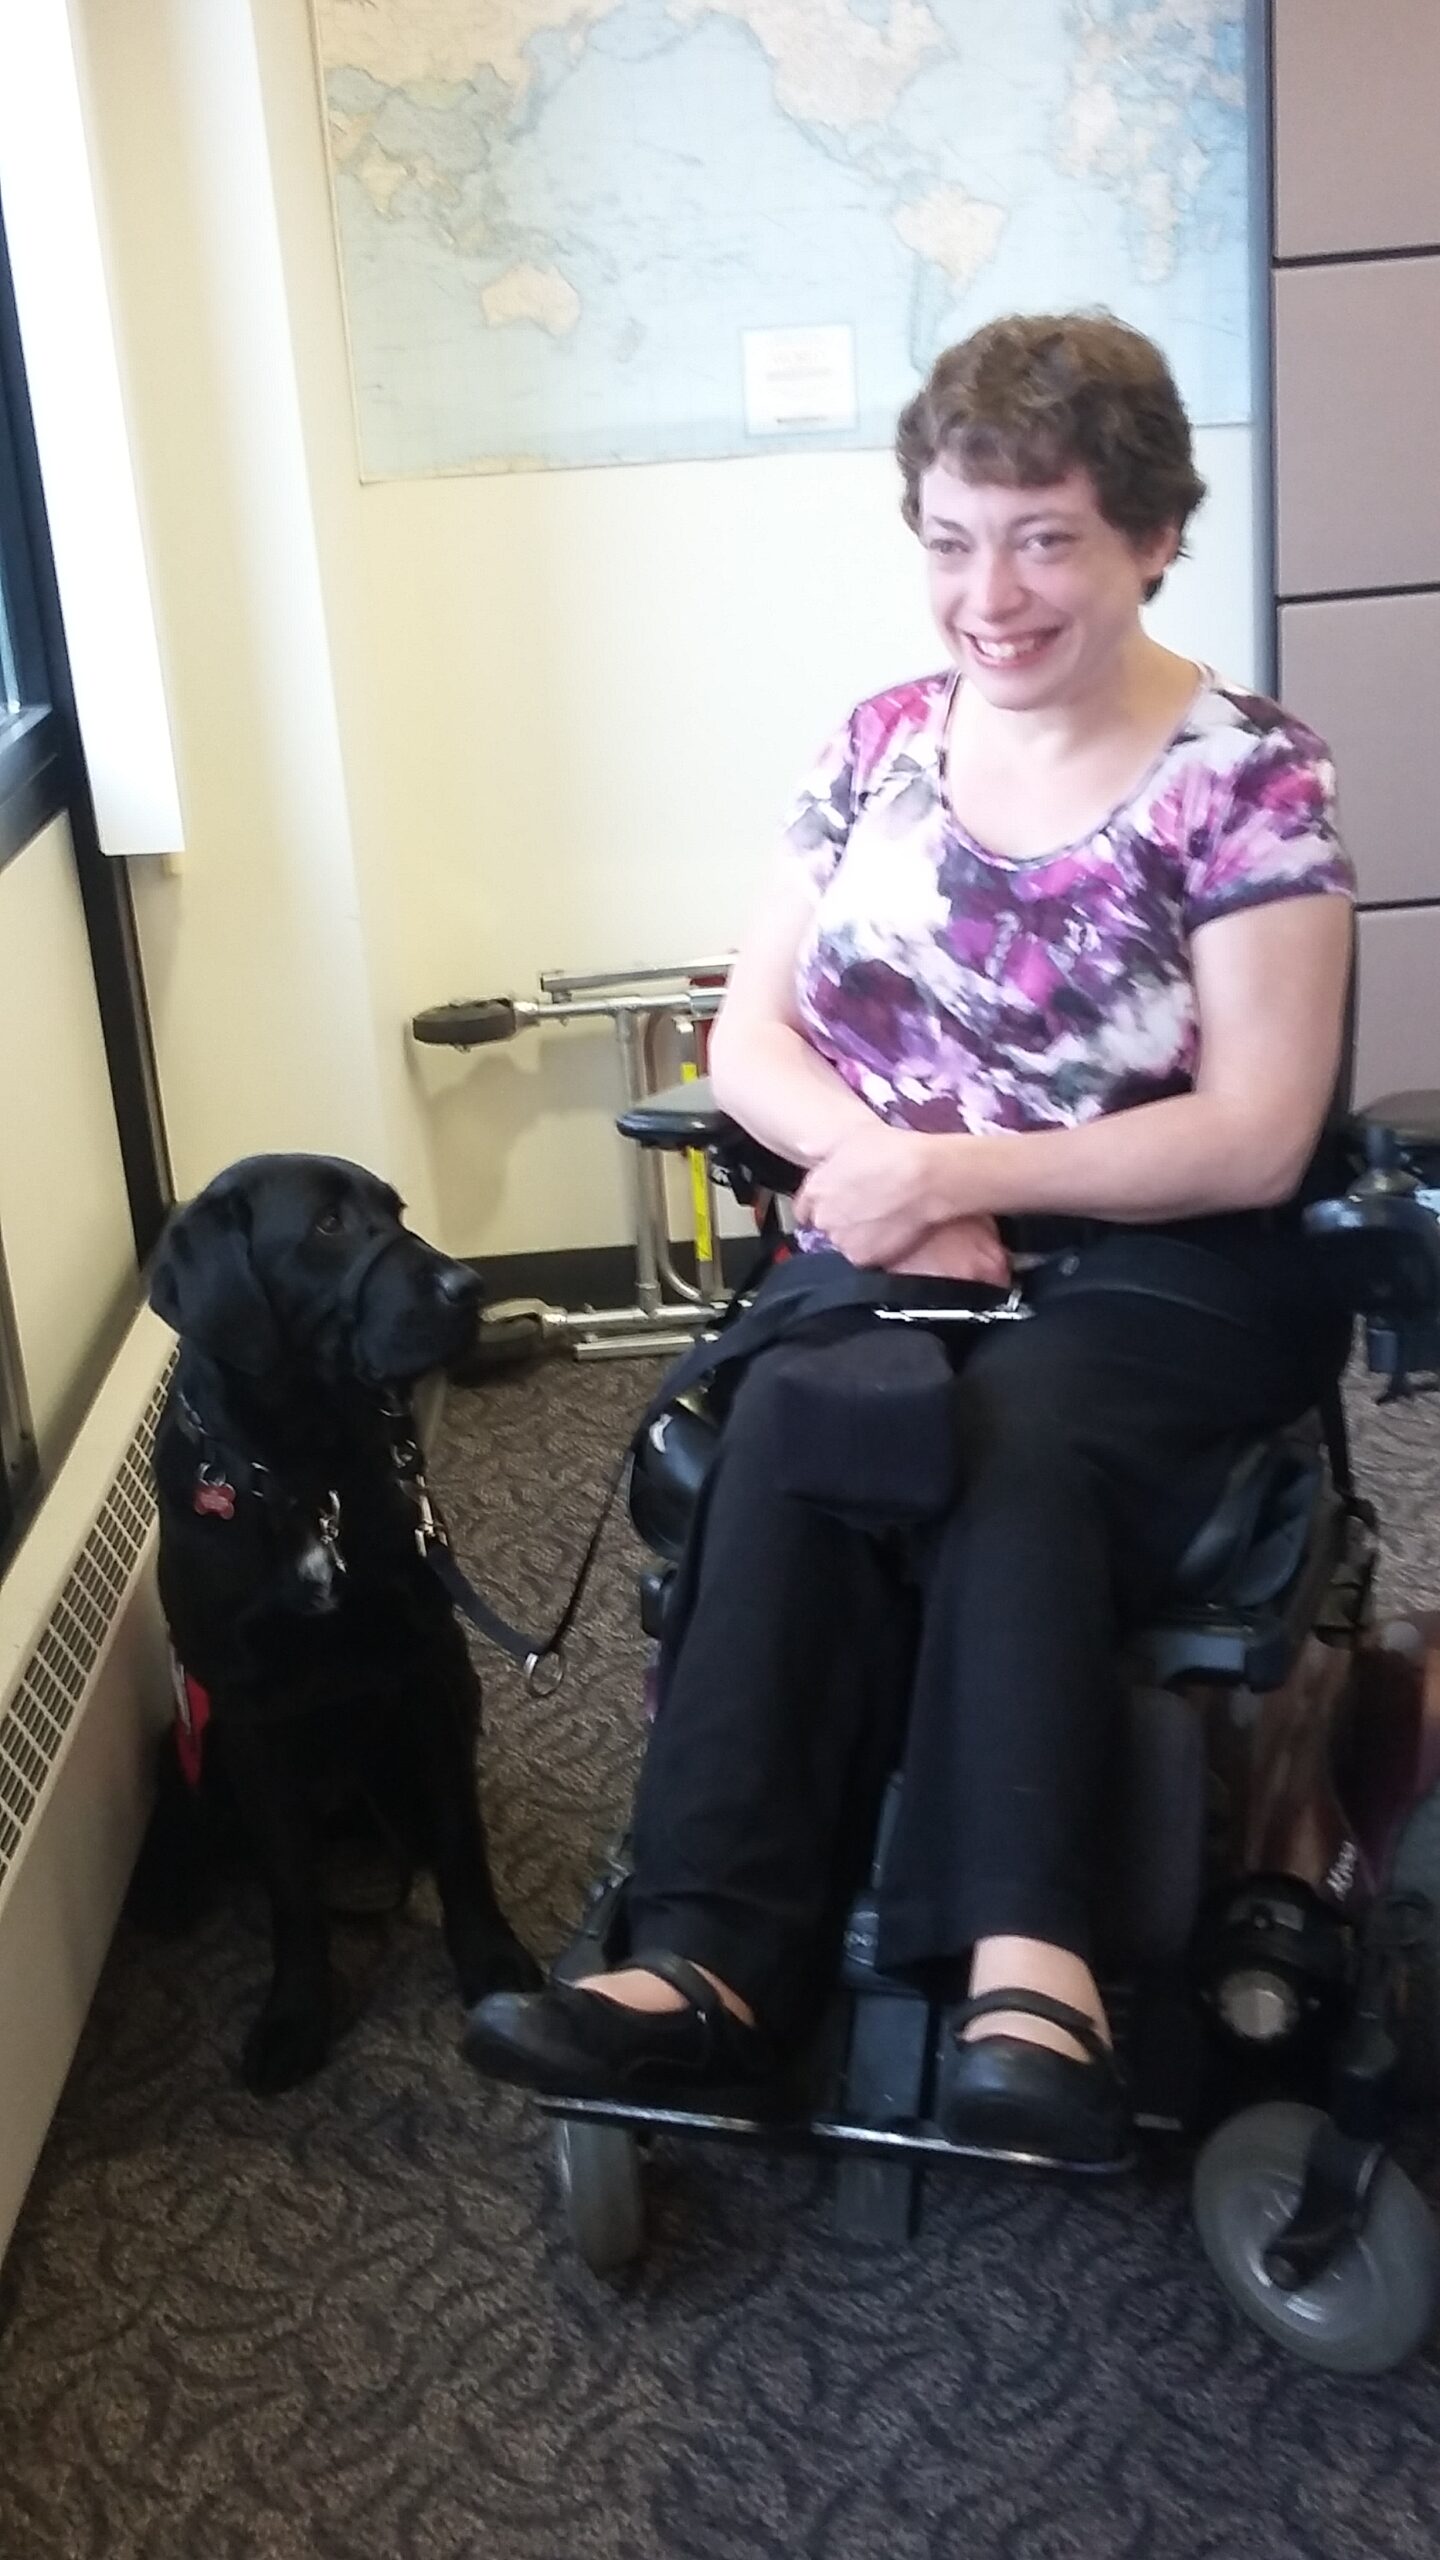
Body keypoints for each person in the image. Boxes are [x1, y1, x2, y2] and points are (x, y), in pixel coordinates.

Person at [465, 312, 1355, 2164]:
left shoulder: (1248, 773)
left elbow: (1258, 1128)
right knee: (810, 1417)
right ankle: (707, 1965)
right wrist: (879, 1164)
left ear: (1152, 537)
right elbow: (753, 1033)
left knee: (1012, 1433)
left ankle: (1036, 1965)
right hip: (885, 1216)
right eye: (953, 539)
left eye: (1044, 537)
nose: (991, 591)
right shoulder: (875, 743)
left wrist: (954, 1174)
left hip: (1170, 1257)